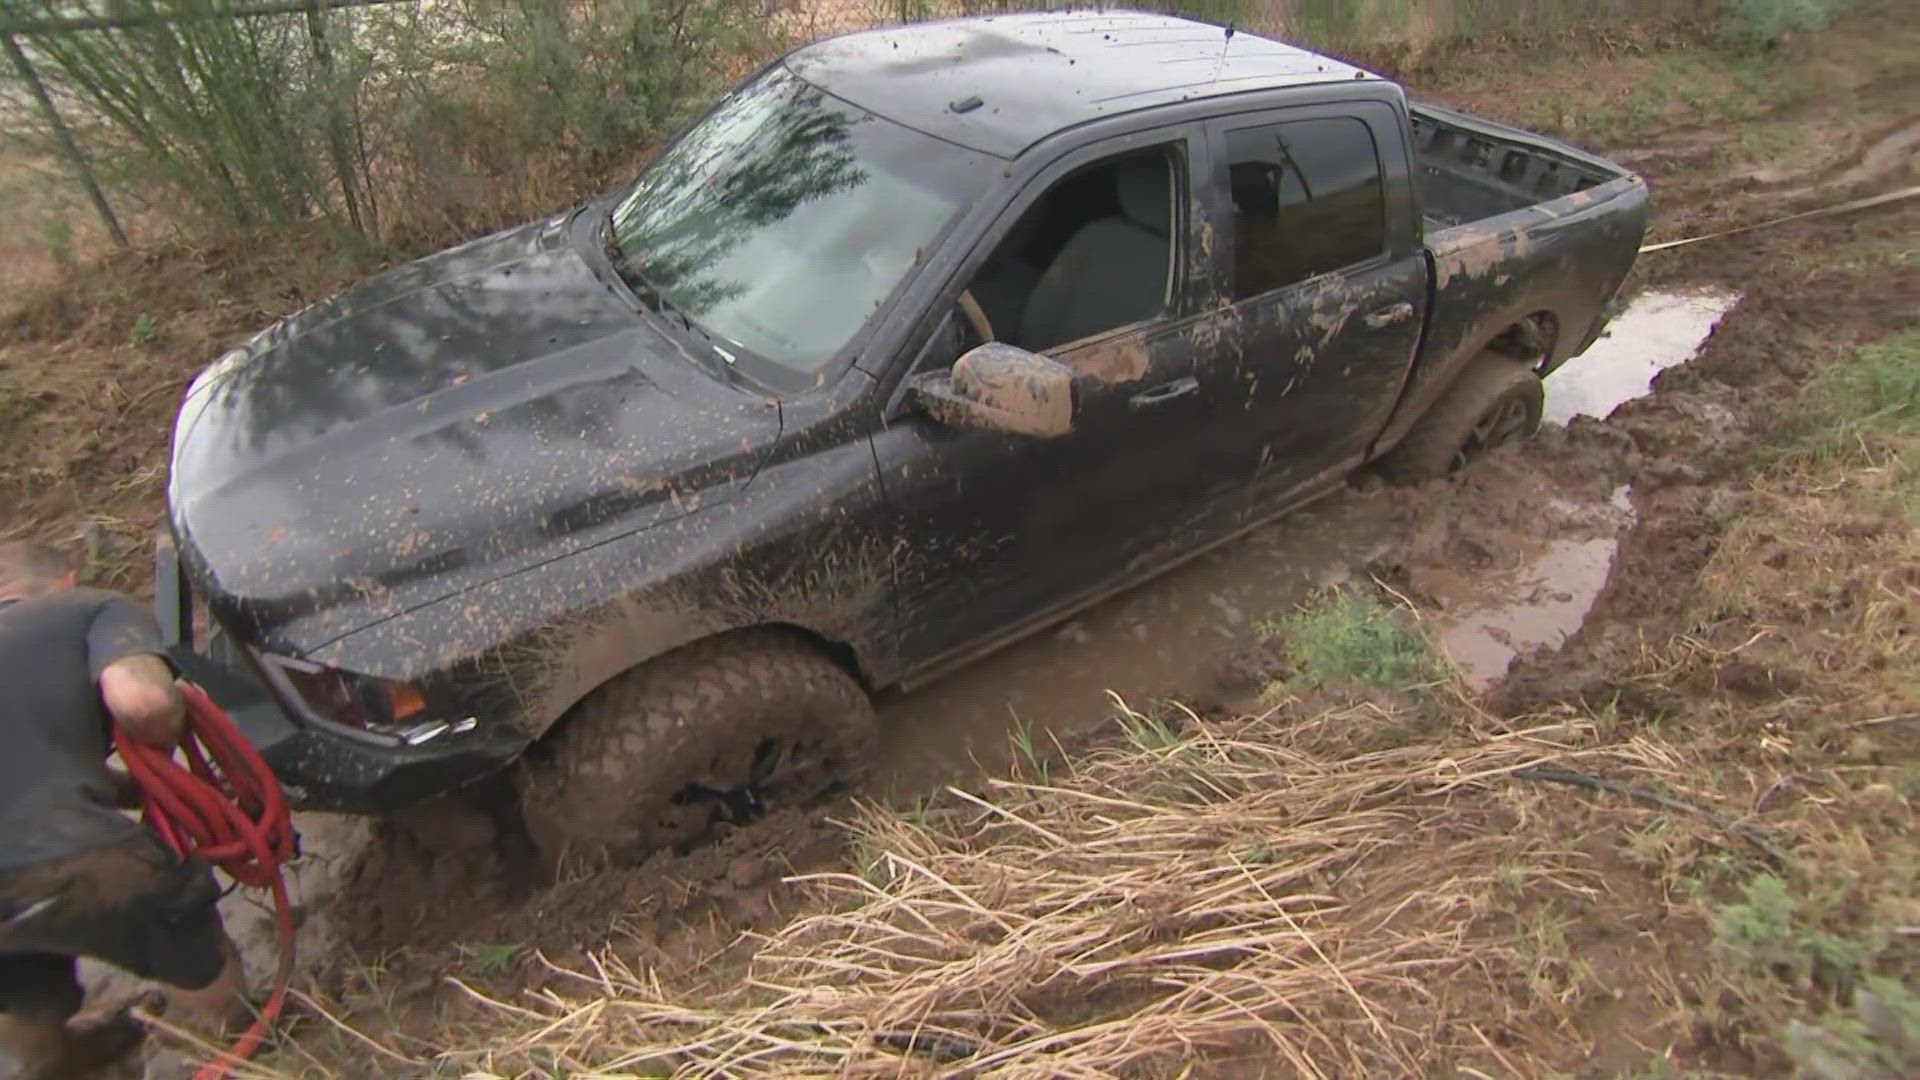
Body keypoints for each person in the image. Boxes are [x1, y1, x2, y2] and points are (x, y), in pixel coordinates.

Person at [0, 541, 248, 1079]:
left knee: (25, 1003)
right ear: (65, 580)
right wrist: (163, 755)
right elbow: (143, 704)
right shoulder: (89, 609)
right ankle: (231, 1047)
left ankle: (53, 1060)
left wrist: (123, 788)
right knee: (210, 987)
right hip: (78, 860)